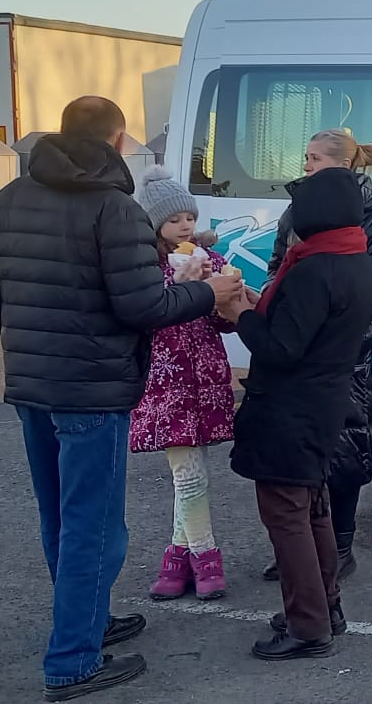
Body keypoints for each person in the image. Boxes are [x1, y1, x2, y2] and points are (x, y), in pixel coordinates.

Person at [0, 96, 241, 701]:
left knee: (60, 514)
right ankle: (72, 659)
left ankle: (87, 623)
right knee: (95, 525)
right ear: (117, 140)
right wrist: (208, 292)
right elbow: (145, 307)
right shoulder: (115, 209)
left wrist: (29, 333)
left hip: (35, 385)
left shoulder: (12, 197)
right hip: (92, 389)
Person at [220, 167, 372, 661]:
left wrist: (238, 314)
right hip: (325, 401)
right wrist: (257, 305)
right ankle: (323, 607)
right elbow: (299, 327)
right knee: (313, 510)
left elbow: (282, 347)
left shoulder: (314, 267)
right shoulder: (353, 258)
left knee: (287, 515)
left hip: (292, 405)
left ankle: (308, 625)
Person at [261, 128, 372, 584]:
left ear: (342, 163)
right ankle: (302, 545)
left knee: (344, 450)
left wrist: (353, 344)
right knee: (299, 452)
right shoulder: (298, 207)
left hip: (343, 354)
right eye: (306, 156)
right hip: (299, 350)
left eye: (315, 157)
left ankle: (340, 544)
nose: (306, 165)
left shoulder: (369, 212)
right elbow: (278, 266)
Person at [128, 166, 238, 603]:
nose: (185, 226)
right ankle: (207, 557)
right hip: (165, 378)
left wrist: (223, 292)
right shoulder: (142, 267)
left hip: (205, 375)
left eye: (189, 217)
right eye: (174, 221)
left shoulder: (209, 259)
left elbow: (222, 322)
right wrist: (179, 289)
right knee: (187, 475)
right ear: (155, 225)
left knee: (191, 472)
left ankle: (176, 558)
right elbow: (145, 314)